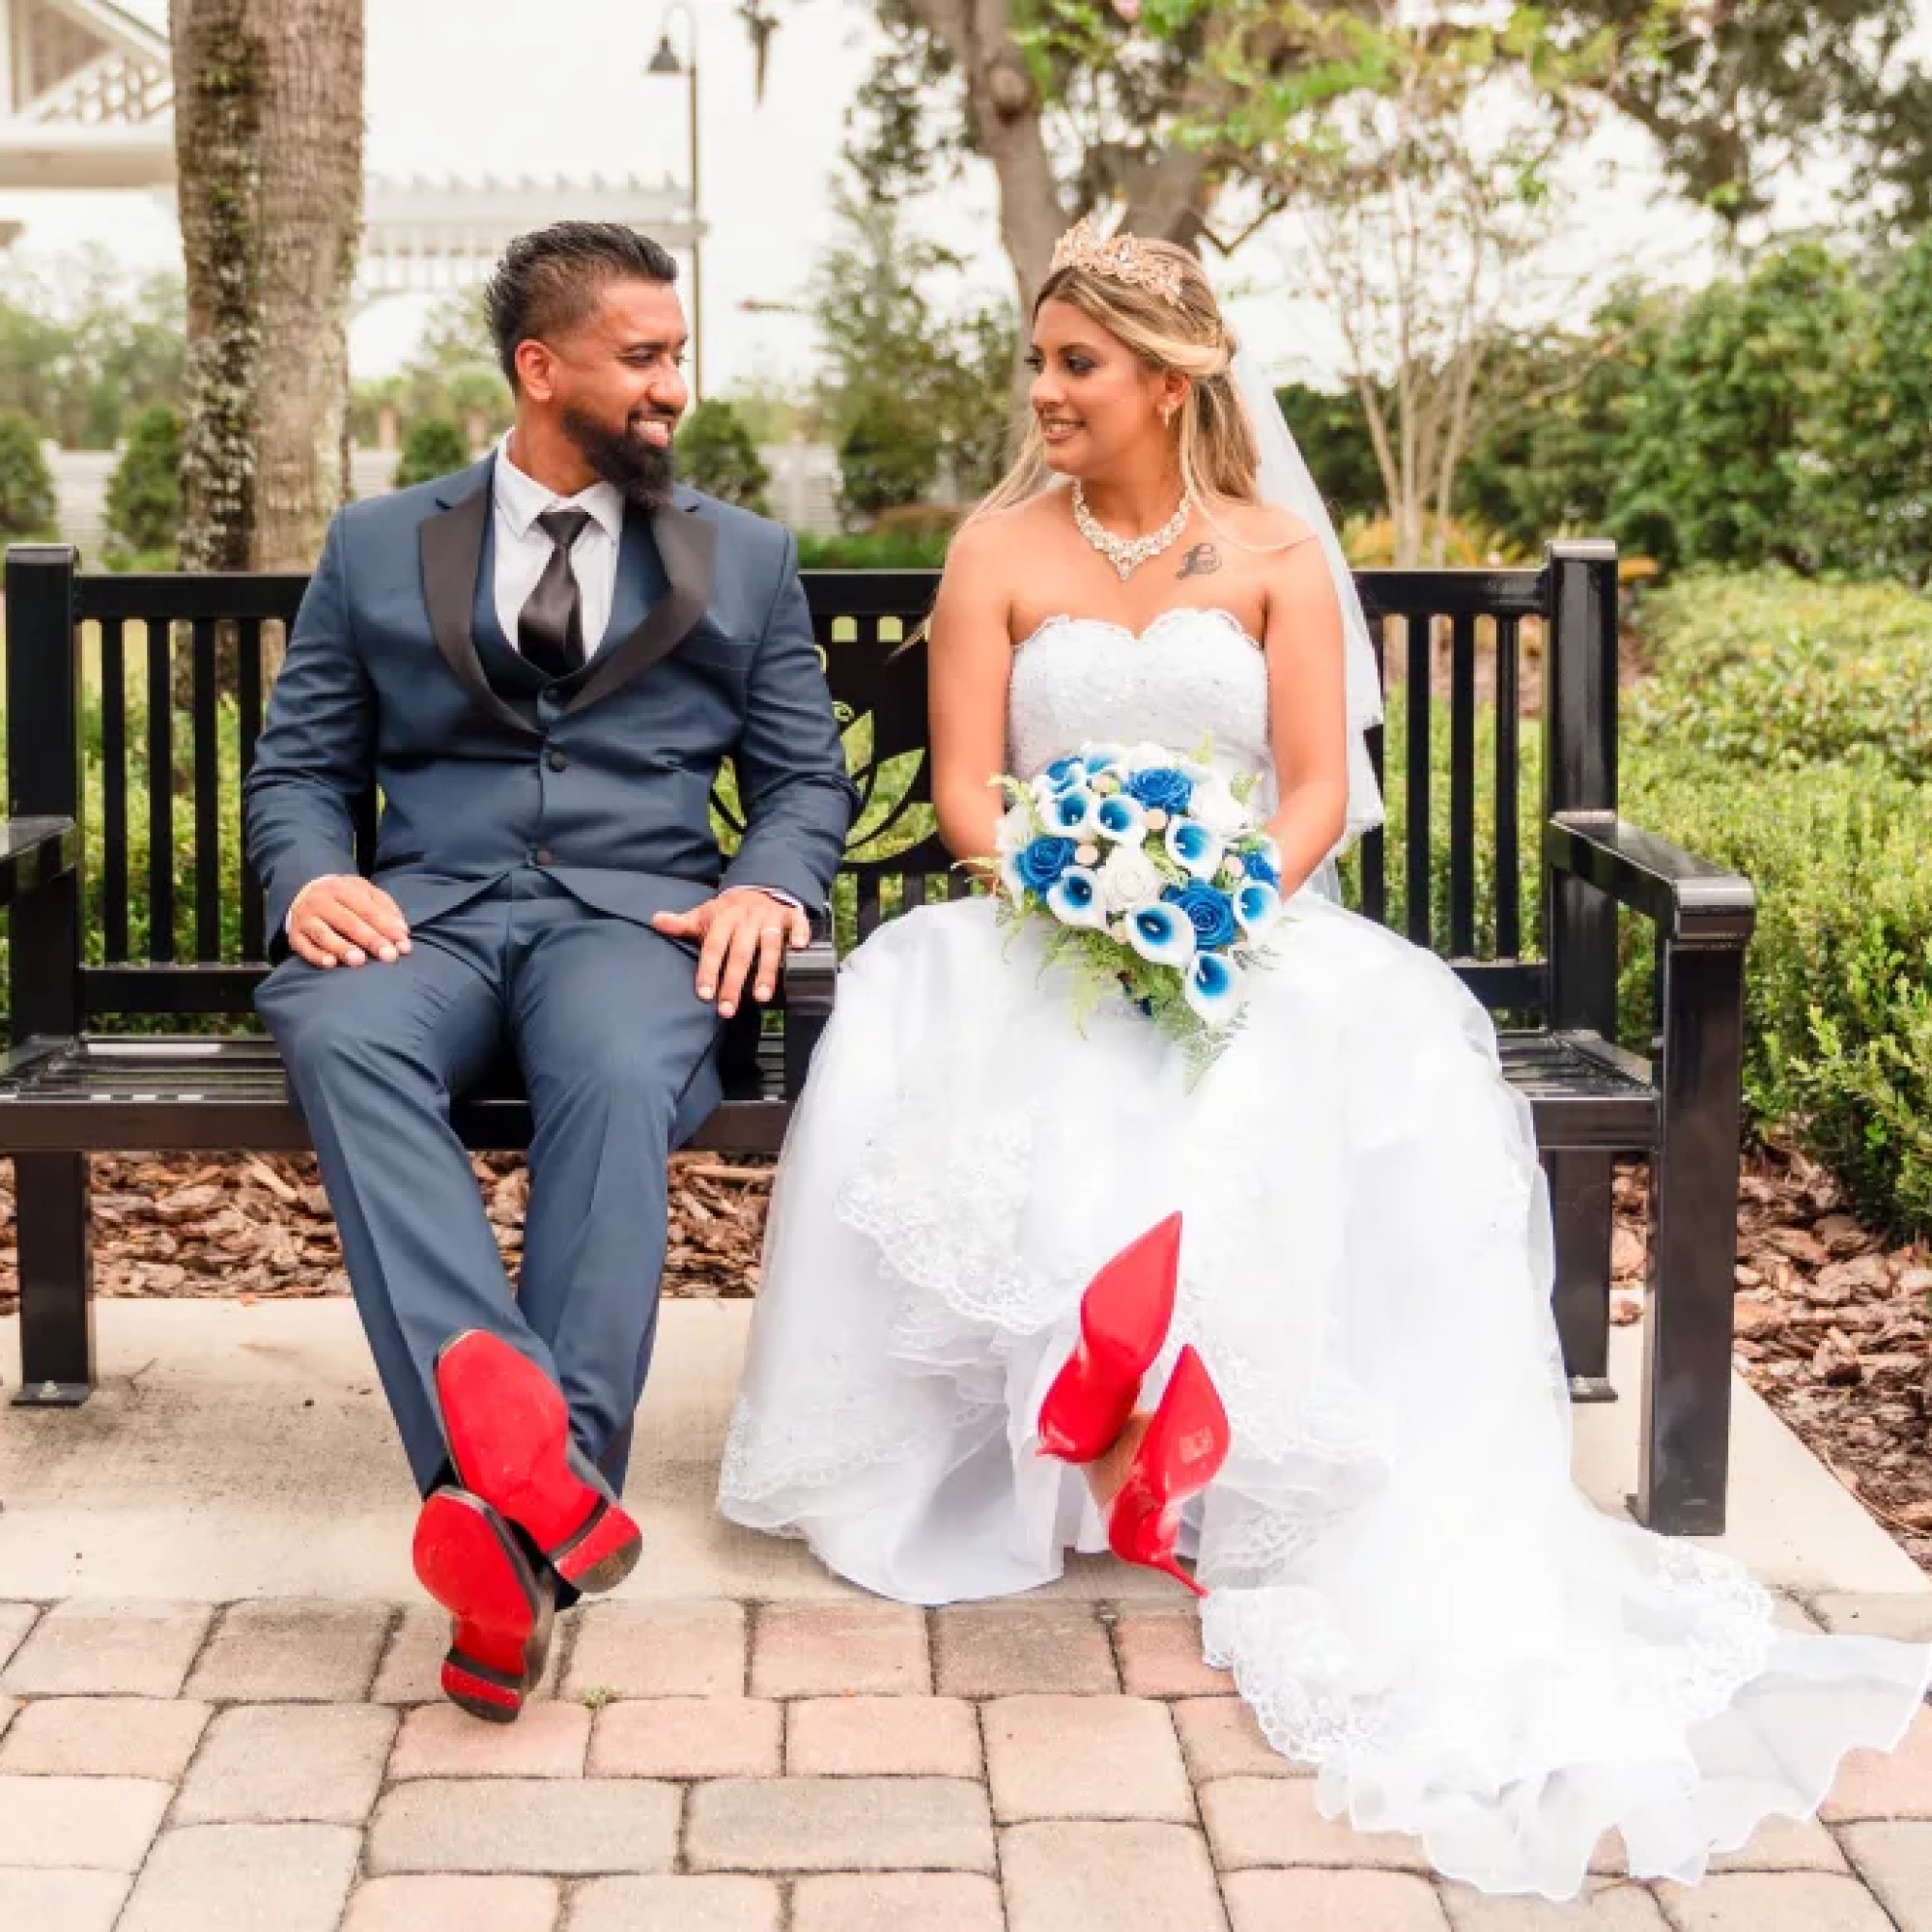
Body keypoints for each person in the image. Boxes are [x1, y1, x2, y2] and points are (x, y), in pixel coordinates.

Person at [718, 218, 1931, 1897]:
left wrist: (1201, 906)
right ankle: (1113, 1409)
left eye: (1079, 364)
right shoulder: (997, 550)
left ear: (1170, 377)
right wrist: (1081, 893)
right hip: (1039, 923)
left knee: (1308, 1054)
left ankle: (1166, 1408)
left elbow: (1310, 794)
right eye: (1042, 362)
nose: (1046, 391)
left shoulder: (1281, 555)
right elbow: (974, 799)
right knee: (967, 1026)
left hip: (1243, 922)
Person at [245, 221, 855, 1721]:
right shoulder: (378, 543)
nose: (674, 388)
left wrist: (769, 886)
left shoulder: (745, 557)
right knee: (339, 1036)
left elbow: (802, 782)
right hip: (427, 917)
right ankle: (547, 1501)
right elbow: (300, 768)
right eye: (643, 357)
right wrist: (313, 873)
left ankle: (506, 1527)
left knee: (613, 1075)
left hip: (637, 925)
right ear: (540, 367)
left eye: (677, 355)